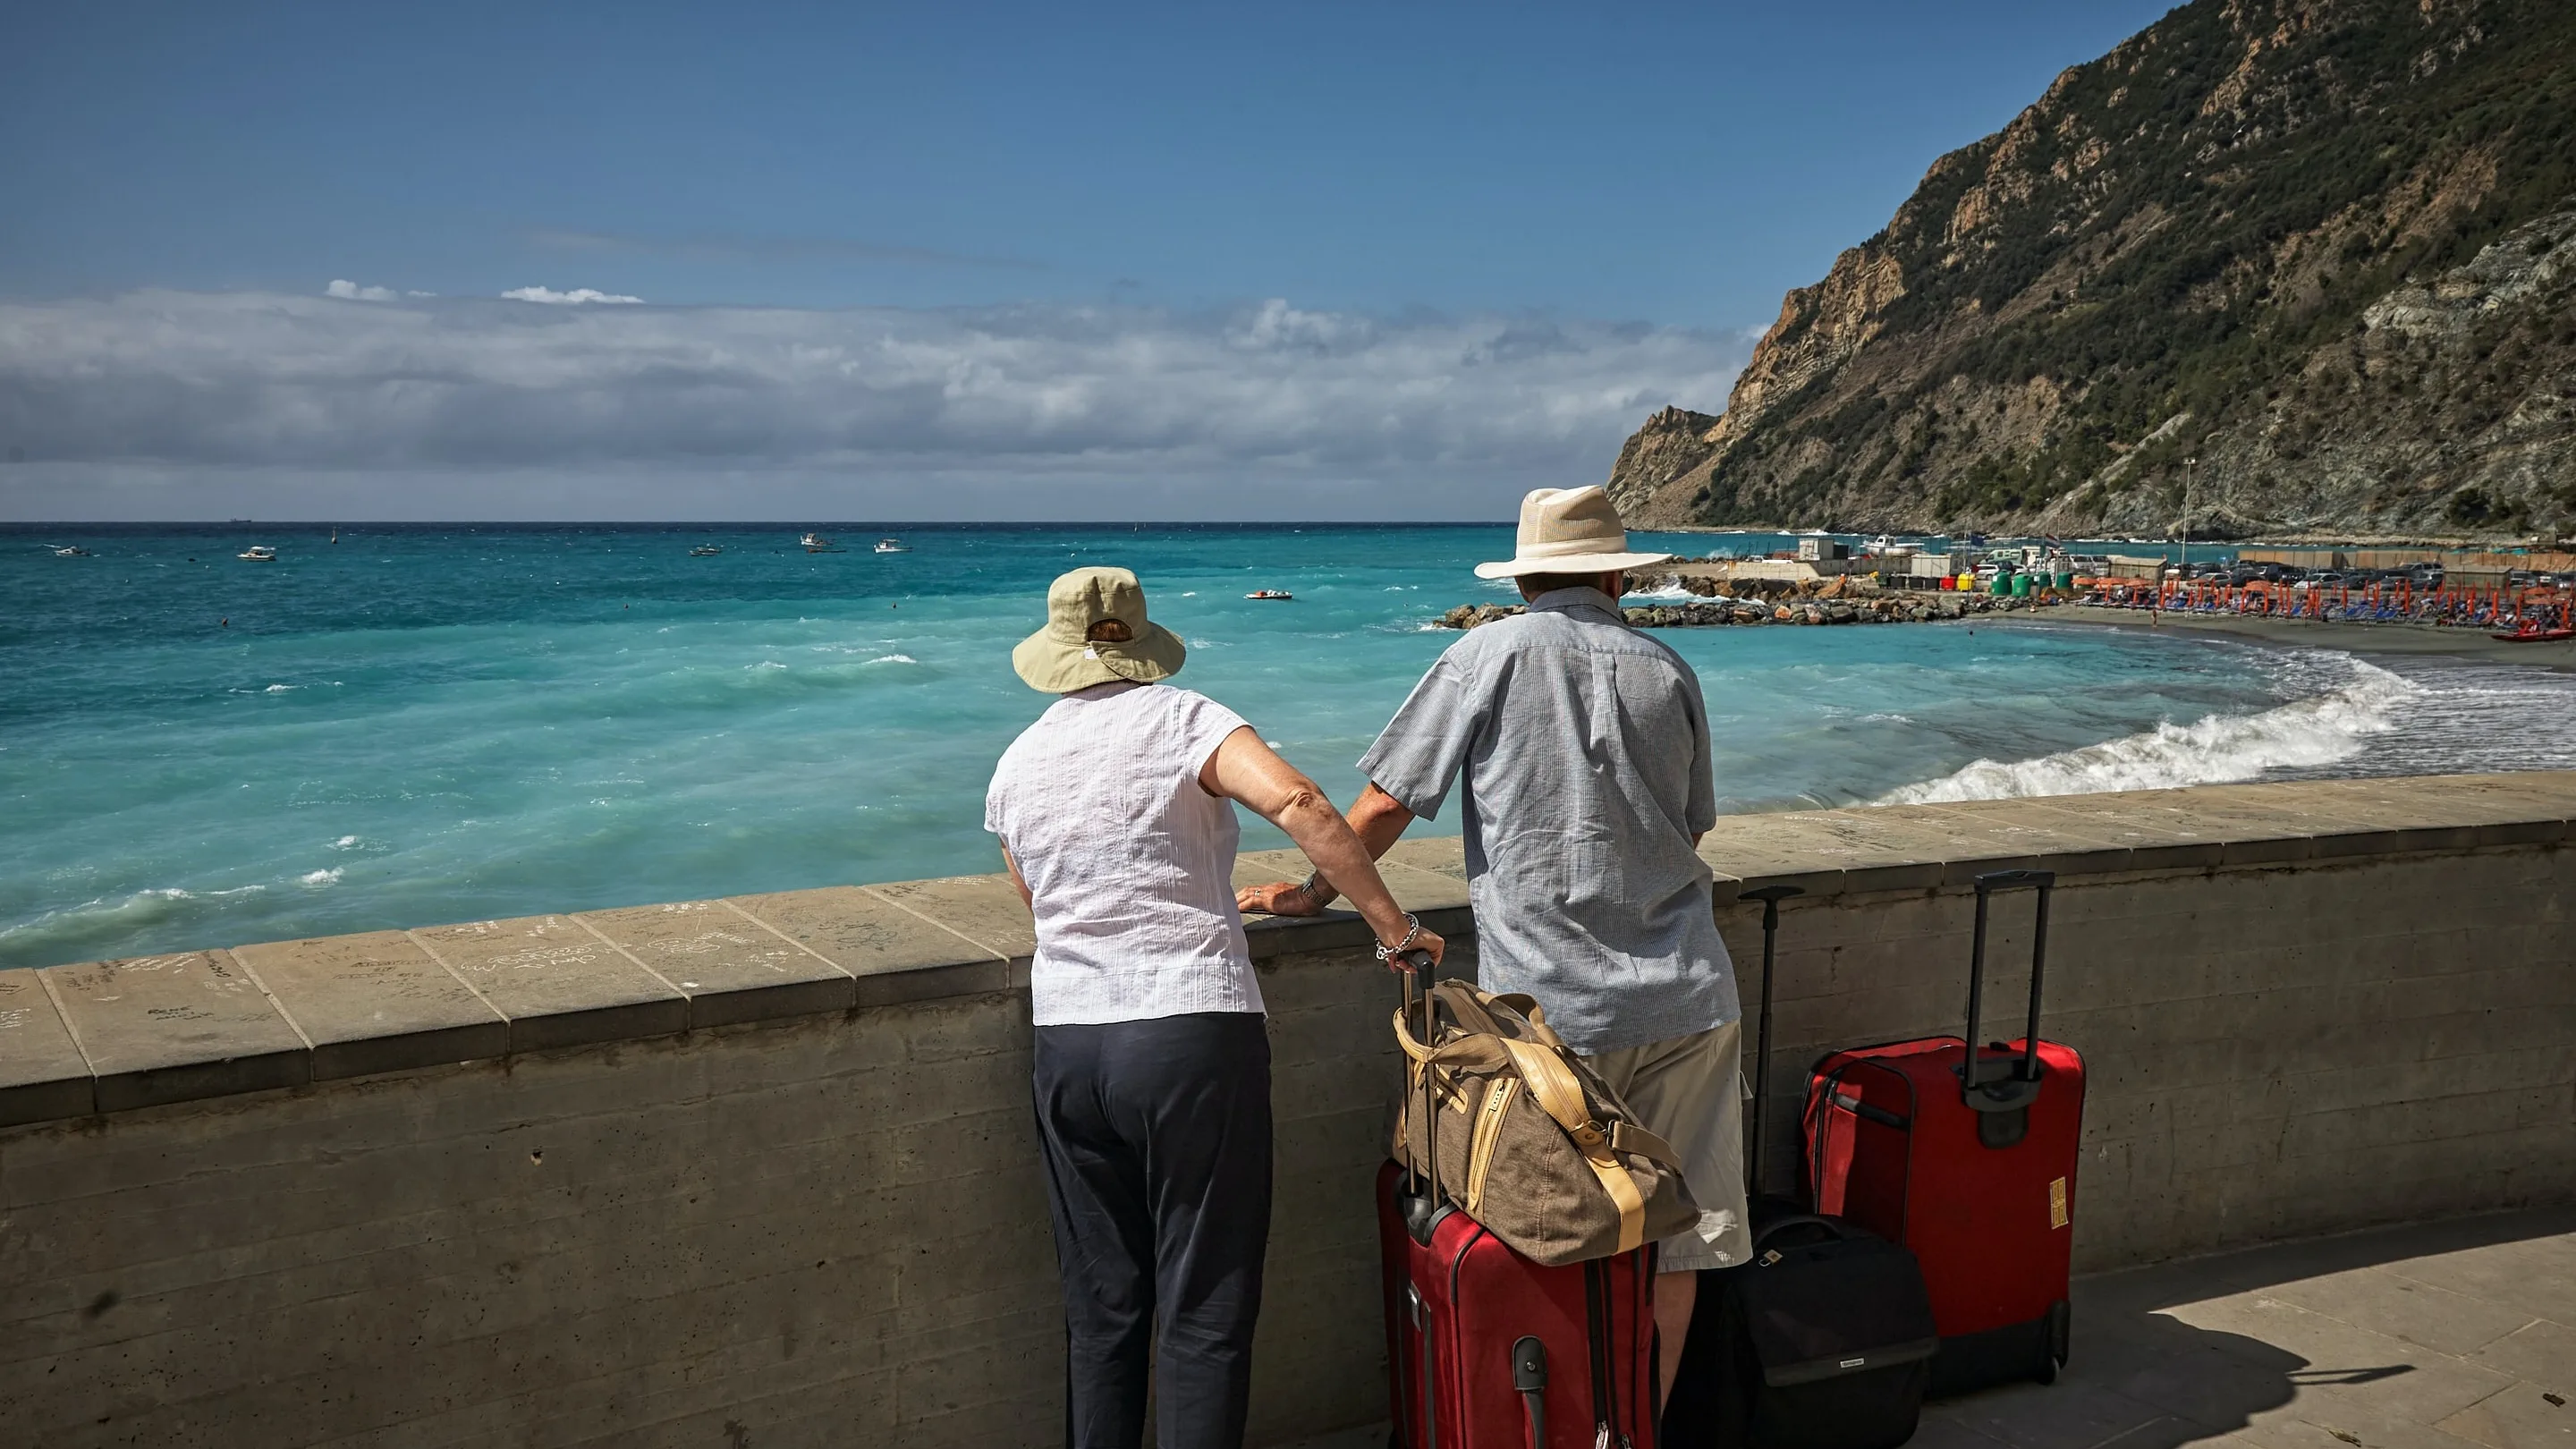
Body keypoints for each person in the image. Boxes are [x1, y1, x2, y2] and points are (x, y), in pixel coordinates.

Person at [1239, 486, 1743, 1405]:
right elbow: (1692, 829)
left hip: (1554, 1013)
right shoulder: (1668, 667)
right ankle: (1642, 1425)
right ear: (1618, 575)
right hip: (1689, 997)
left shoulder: (1487, 653)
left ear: (1524, 578)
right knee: (1685, 1241)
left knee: (1555, 1237)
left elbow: (1389, 800)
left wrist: (1316, 891)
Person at [987, 565, 1443, 1449]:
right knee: (1204, 1311)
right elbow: (1302, 803)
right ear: (1141, 640)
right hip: (1190, 1035)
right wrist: (1391, 929)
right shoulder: (1187, 719)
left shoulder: (1017, 763)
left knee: (1102, 1313)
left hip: (1070, 1047)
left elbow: (1040, 900)